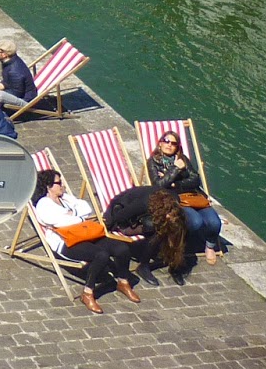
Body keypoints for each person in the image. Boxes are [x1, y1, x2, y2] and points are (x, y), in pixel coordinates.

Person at [32, 168, 142, 314]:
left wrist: (74, 214)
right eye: (59, 183)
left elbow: (86, 207)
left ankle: (123, 282)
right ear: (48, 186)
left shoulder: (65, 198)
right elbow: (58, 222)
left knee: (122, 249)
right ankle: (88, 293)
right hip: (66, 242)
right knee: (101, 255)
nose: (62, 185)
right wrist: (78, 218)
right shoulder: (43, 205)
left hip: (85, 233)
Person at [145, 130, 225, 263]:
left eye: (174, 143)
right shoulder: (153, 162)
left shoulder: (183, 159)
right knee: (195, 222)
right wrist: (176, 168)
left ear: (177, 147)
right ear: (160, 144)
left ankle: (210, 246)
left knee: (214, 222)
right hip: (174, 199)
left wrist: (174, 183)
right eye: (166, 141)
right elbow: (159, 185)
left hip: (194, 195)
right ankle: (179, 241)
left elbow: (195, 179)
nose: (169, 145)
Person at [104, 186, 188, 285]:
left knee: (178, 227)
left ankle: (174, 264)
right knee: (154, 229)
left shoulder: (175, 201)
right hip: (121, 213)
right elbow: (120, 217)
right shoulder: (143, 204)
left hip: (147, 215)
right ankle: (144, 265)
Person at [0, 37, 36, 111]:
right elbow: (7, 82)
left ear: (4, 54)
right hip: (11, 88)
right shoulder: (9, 61)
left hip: (23, 100)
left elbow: (16, 94)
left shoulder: (15, 72)